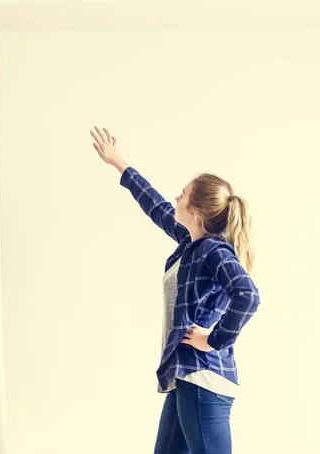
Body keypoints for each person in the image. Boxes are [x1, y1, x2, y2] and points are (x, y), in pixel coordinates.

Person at [90, 126, 260, 454]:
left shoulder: (214, 251)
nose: (176, 198)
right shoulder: (191, 244)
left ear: (196, 213)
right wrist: (119, 164)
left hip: (202, 378)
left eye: (182, 195)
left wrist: (213, 340)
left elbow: (248, 295)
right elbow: (157, 208)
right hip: (186, 376)